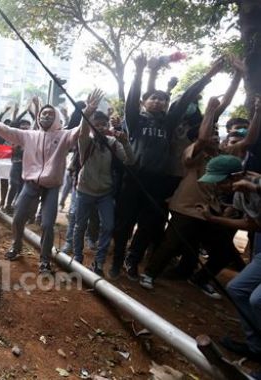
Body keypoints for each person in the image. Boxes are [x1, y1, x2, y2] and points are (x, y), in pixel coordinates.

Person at [112, 55, 224, 280]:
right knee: (124, 222)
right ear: (144, 103)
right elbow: (132, 98)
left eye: (163, 100)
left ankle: (132, 260)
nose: (159, 102)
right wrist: (139, 71)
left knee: (147, 225)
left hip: (158, 181)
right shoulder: (135, 120)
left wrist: (208, 76)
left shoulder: (169, 123)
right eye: (153, 98)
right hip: (133, 177)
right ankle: (116, 261)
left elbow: (186, 99)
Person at [137, 97, 254, 295]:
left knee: (224, 251)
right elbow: (202, 139)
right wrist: (209, 110)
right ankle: (149, 274)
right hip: (187, 206)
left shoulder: (224, 155)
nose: (215, 136)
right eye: (212, 133)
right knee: (171, 243)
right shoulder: (192, 151)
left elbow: (249, 140)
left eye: (217, 134)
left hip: (211, 211)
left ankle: (200, 279)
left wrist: (257, 111)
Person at [0, 103, 78, 273]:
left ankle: (45, 260)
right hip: (30, 185)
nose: (46, 116)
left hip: (51, 187)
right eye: (43, 113)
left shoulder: (64, 136)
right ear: (38, 117)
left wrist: (87, 112)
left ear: (57, 118)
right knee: (18, 218)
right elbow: (7, 130)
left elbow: (79, 131)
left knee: (47, 224)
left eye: (50, 114)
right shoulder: (28, 135)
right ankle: (16, 247)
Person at [187, 156, 261, 365]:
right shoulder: (239, 196)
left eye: (221, 181)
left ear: (236, 176)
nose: (218, 186)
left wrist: (255, 188)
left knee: (258, 300)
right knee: (237, 289)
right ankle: (256, 346)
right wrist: (214, 219)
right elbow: (253, 224)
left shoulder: (255, 183)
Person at [66, 90, 134, 276]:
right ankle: (78, 257)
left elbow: (130, 161)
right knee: (80, 225)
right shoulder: (85, 141)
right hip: (84, 190)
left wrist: (126, 143)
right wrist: (88, 111)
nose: (101, 127)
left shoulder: (113, 142)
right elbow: (83, 128)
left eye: (103, 124)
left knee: (108, 226)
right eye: (96, 124)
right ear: (91, 125)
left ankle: (99, 262)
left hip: (105, 193)